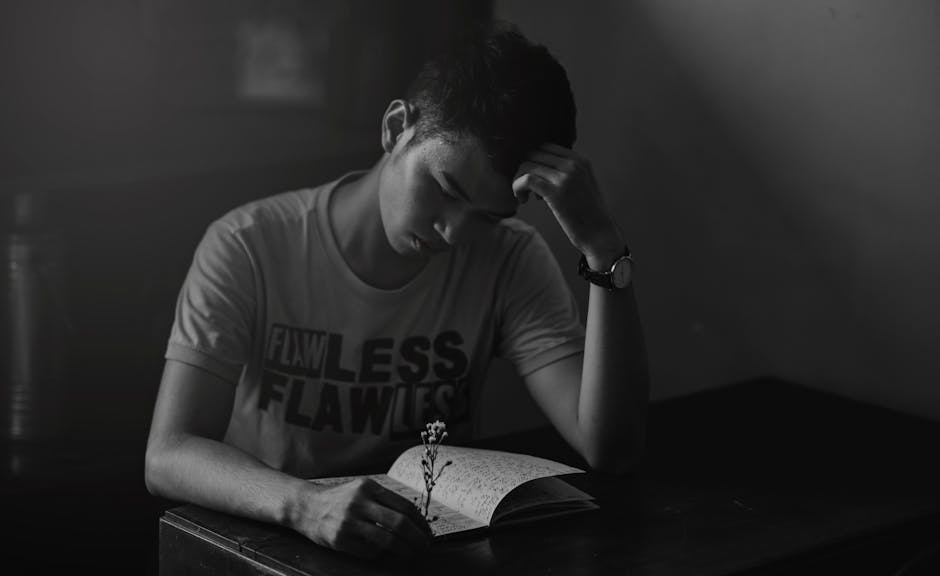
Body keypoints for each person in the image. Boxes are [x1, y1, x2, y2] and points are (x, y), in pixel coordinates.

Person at [145, 21, 649, 560]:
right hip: (271, 546)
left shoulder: (510, 257)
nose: (454, 232)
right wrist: (305, 505)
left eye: (485, 216)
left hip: (425, 550)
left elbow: (609, 449)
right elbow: (169, 454)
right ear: (395, 128)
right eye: (445, 189)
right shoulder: (247, 245)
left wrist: (602, 247)